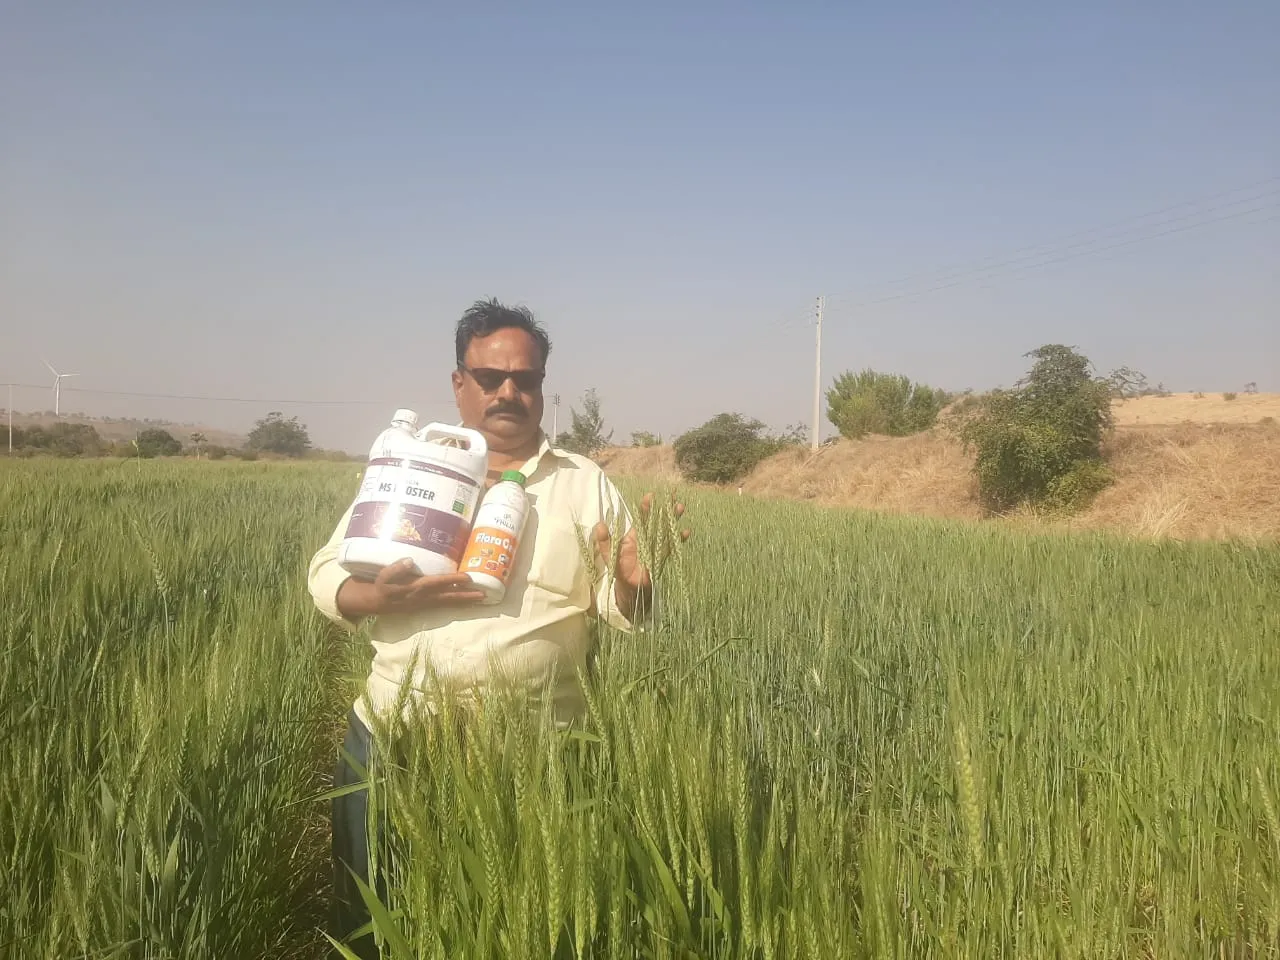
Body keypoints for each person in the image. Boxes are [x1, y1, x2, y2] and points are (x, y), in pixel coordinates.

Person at [306, 298, 688, 956]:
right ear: (460, 384)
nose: (509, 392)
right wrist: (373, 595)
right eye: (490, 377)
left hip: (535, 759)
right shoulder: (410, 469)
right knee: (375, 930)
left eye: (526, 379)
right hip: (393, 742)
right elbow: (324, 571)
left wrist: (634, 586)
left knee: (520, 931)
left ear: (542, 386)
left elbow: (626, 608)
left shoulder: (584, 485)